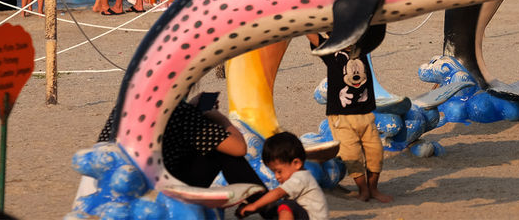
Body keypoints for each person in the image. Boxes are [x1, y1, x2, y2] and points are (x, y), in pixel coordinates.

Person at [98, 93, 268, 192]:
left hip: (116, 179)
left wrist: (191, 108)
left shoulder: (127, 102)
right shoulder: (181, 112)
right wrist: (220, 119)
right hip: (159, 187)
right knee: (223, 153)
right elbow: (239, 148)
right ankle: (267, 206)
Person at [307, 27, 391, 203]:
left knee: (376, 152)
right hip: (341, 117)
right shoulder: (331, 54)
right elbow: (313, 36)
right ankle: (363, 190)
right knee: (351, 156)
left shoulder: (363, 49)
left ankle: (373, 188)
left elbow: (376, 29)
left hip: (366, 115)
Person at [238, 131, 329, 220]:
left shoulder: (301, 177)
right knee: (277, 205)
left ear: (296, 163)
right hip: (304, 215)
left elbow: (277, 193)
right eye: (274, 172)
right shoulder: (297, 179)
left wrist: (254, 206)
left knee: (286, 205)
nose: (277, 176)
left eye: (279, 171)